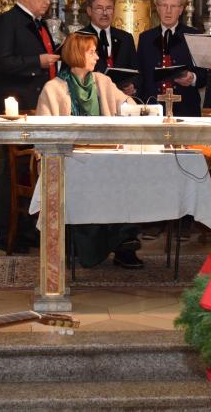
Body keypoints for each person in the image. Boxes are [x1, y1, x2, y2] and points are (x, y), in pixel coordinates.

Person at [36, 32, 144, 269]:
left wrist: (136, 108)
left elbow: (128, 106)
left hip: (105, 156)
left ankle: (125, 243)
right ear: (77, 54)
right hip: (70, 159)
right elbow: (43, 132)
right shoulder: (53, 88)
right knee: (87, 184)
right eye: (92, 52)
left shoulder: (102, 81)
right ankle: (82, 246)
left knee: (127, 178)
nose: (97, 57)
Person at [0, 0, 58, 252]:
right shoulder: (7, 21)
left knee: (32, 169)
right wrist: (37, 62)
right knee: (13, 170)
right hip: (15, 107)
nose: (48, 3)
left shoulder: (37, 23)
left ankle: (28, 230)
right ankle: (9, 234)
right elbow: (0, 62)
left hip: (36, 106)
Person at [137, 0, 204, 117]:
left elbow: (204, 75)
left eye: (173, 6)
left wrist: (193, 78)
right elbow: (140, 74)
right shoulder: (146, 38)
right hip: (153, 110)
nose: (168, 11)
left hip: (186, 110)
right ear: (157, 8)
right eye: (164, 6)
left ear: (181, 10)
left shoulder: (194, 35)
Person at [82, 0, 138, 95]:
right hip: (91, 101)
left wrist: (133, 85)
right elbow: (70, 77)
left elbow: (137, 72)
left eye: (109, 8)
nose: (105, 13)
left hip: (121, 100)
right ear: (89, 11)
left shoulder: (126, 38)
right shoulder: (79, 38)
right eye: (99, 8)